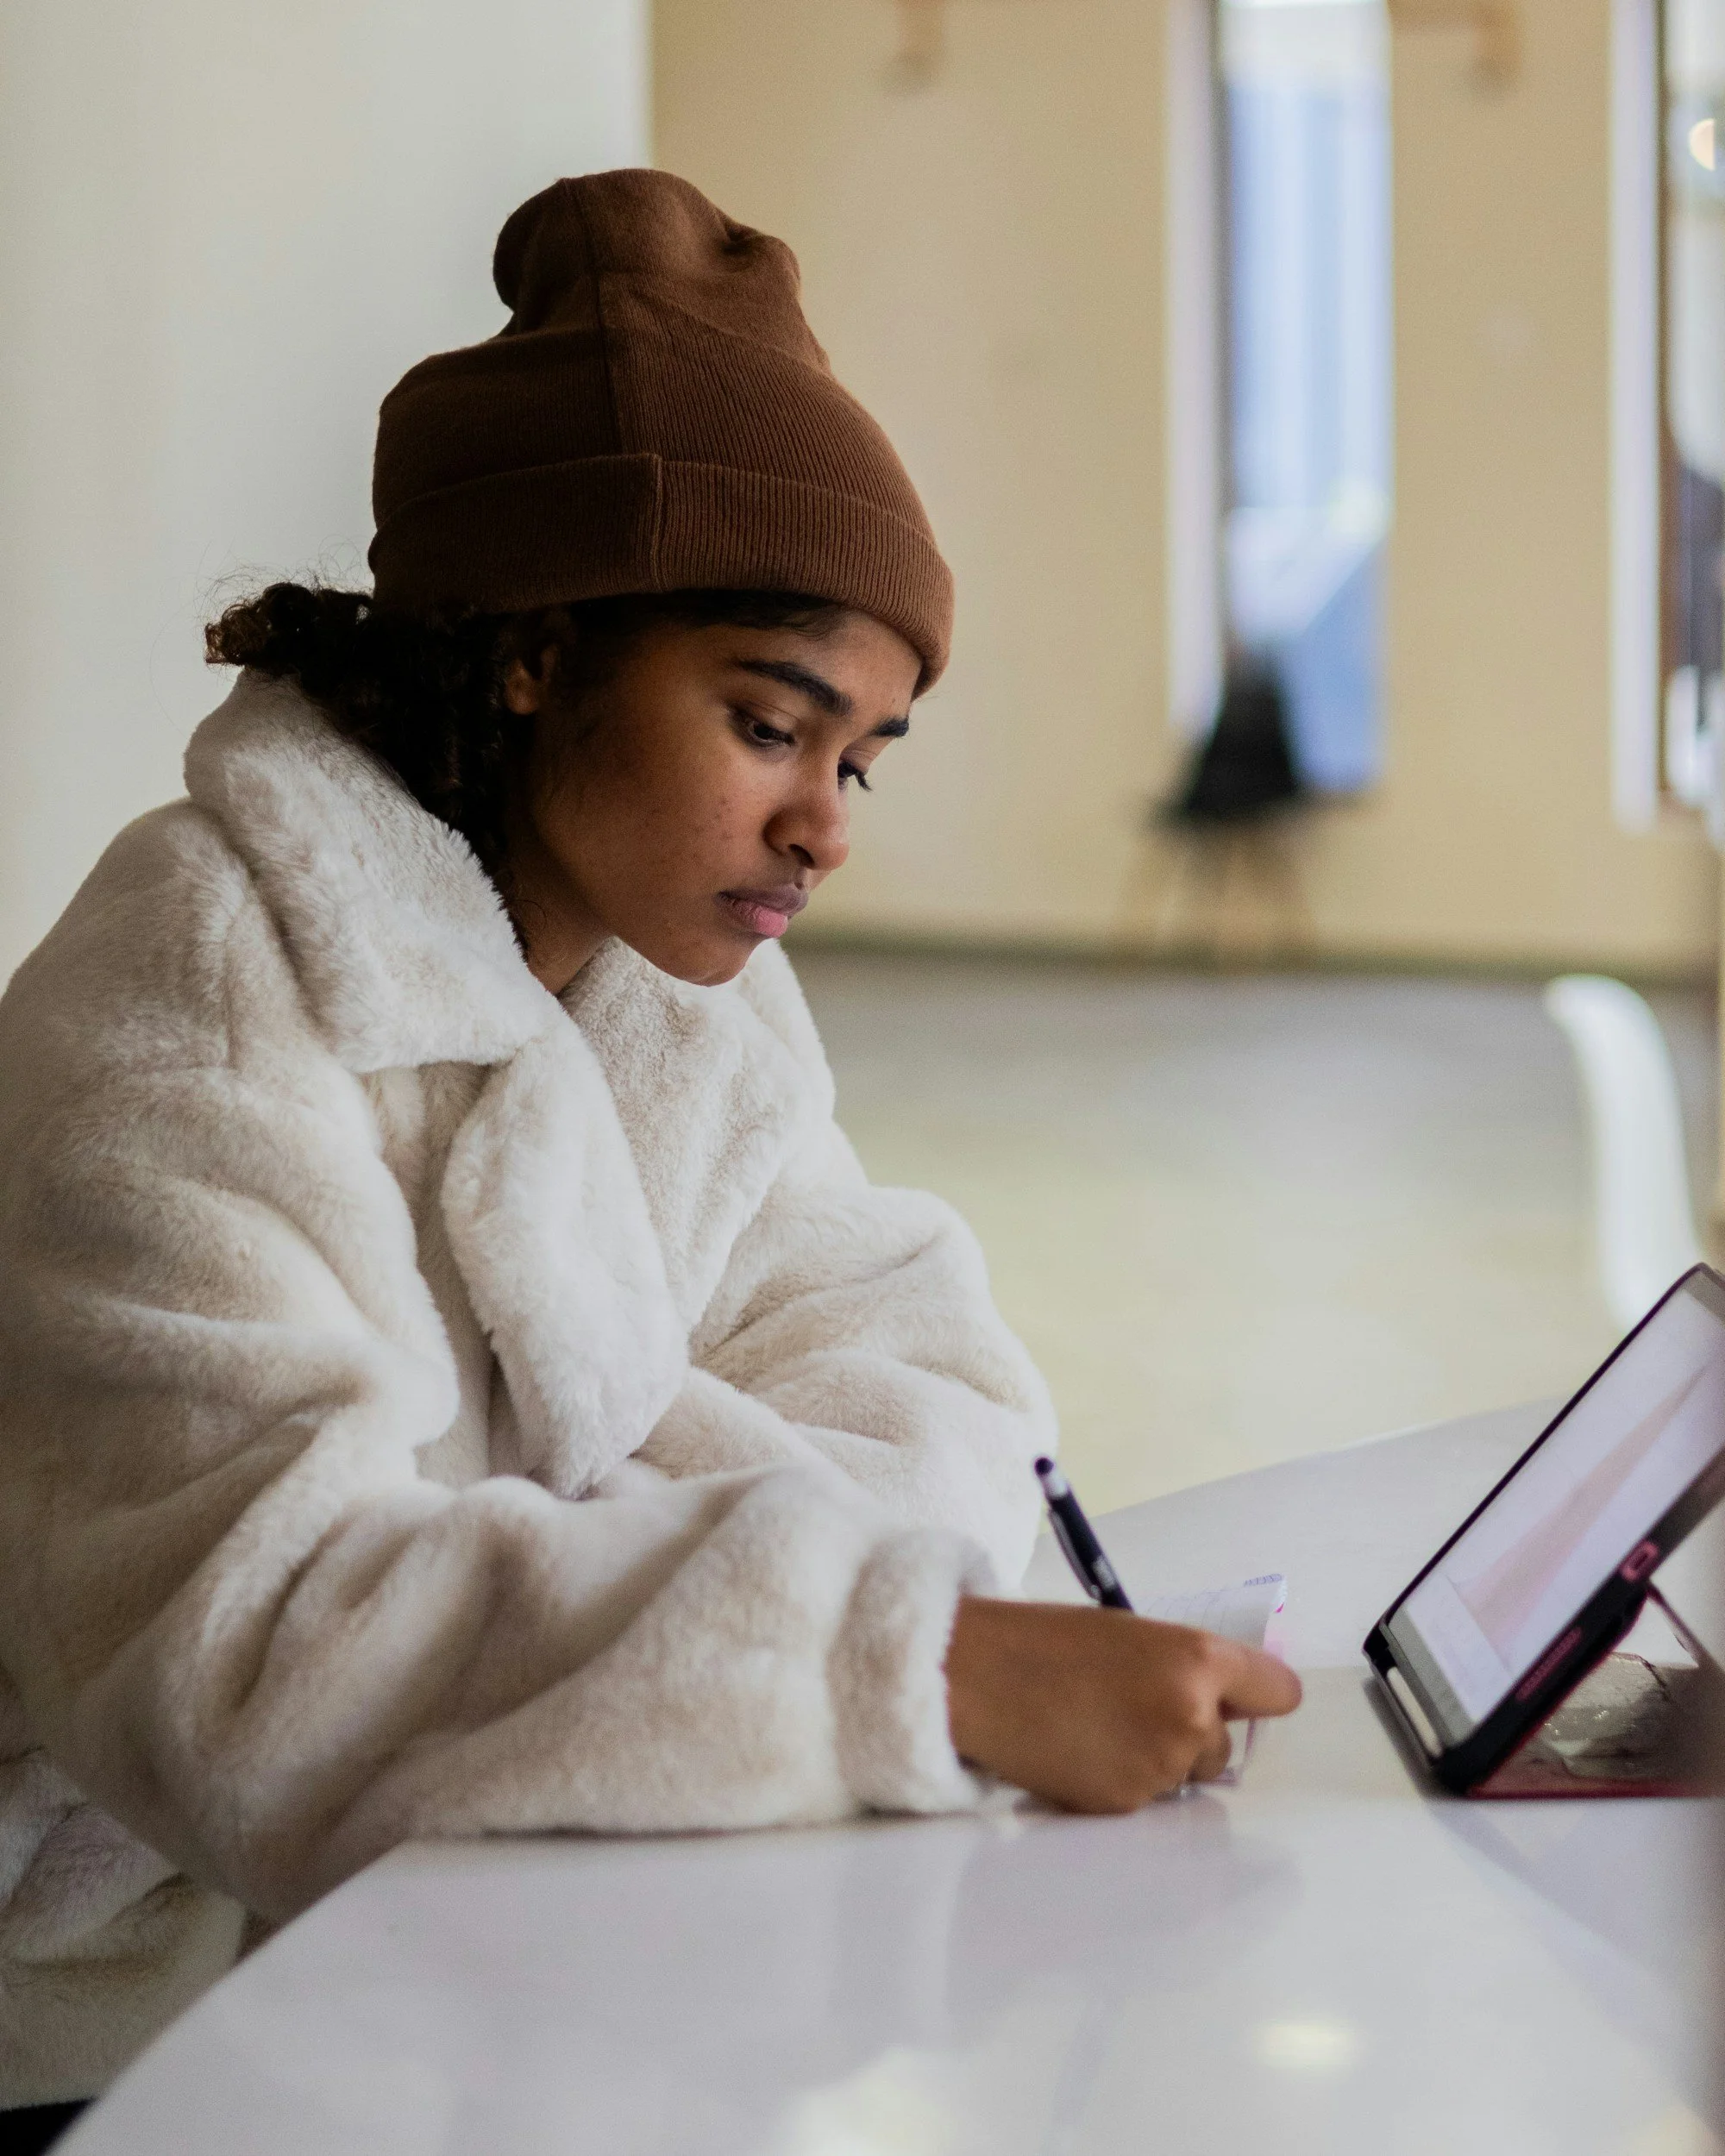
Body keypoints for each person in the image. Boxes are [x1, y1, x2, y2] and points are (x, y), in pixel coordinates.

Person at [0, 170, 1299, 2118]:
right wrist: (902, 1663)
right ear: (535, 648)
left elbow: (912, 1359)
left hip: (466, 1922)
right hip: (119, 2026)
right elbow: (255, 1655)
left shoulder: (673, 988)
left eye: (858, 761)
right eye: (770, 724)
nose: (824, 825)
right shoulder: (197, 992)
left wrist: (709, 1597)